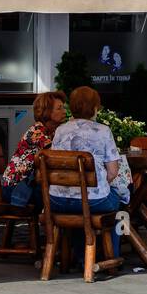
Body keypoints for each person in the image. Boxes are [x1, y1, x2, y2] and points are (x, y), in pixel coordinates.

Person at [48, 86, 125, 259]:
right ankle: (112, 258)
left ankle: (81, 258)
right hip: (93, 201)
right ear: (95, 107)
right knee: (120, 207)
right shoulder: (103, 131)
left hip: (57, 200)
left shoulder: (60, 130)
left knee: (80, 208)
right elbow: (112, 172)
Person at [0, 91, 67, 207]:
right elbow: (58, 157)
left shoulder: (53, 132)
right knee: (62, 199)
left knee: (64, 195)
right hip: (16, 189)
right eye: (59, 108)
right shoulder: (37, 132)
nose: (64, 111)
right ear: (47, 112)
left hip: (30, 186)